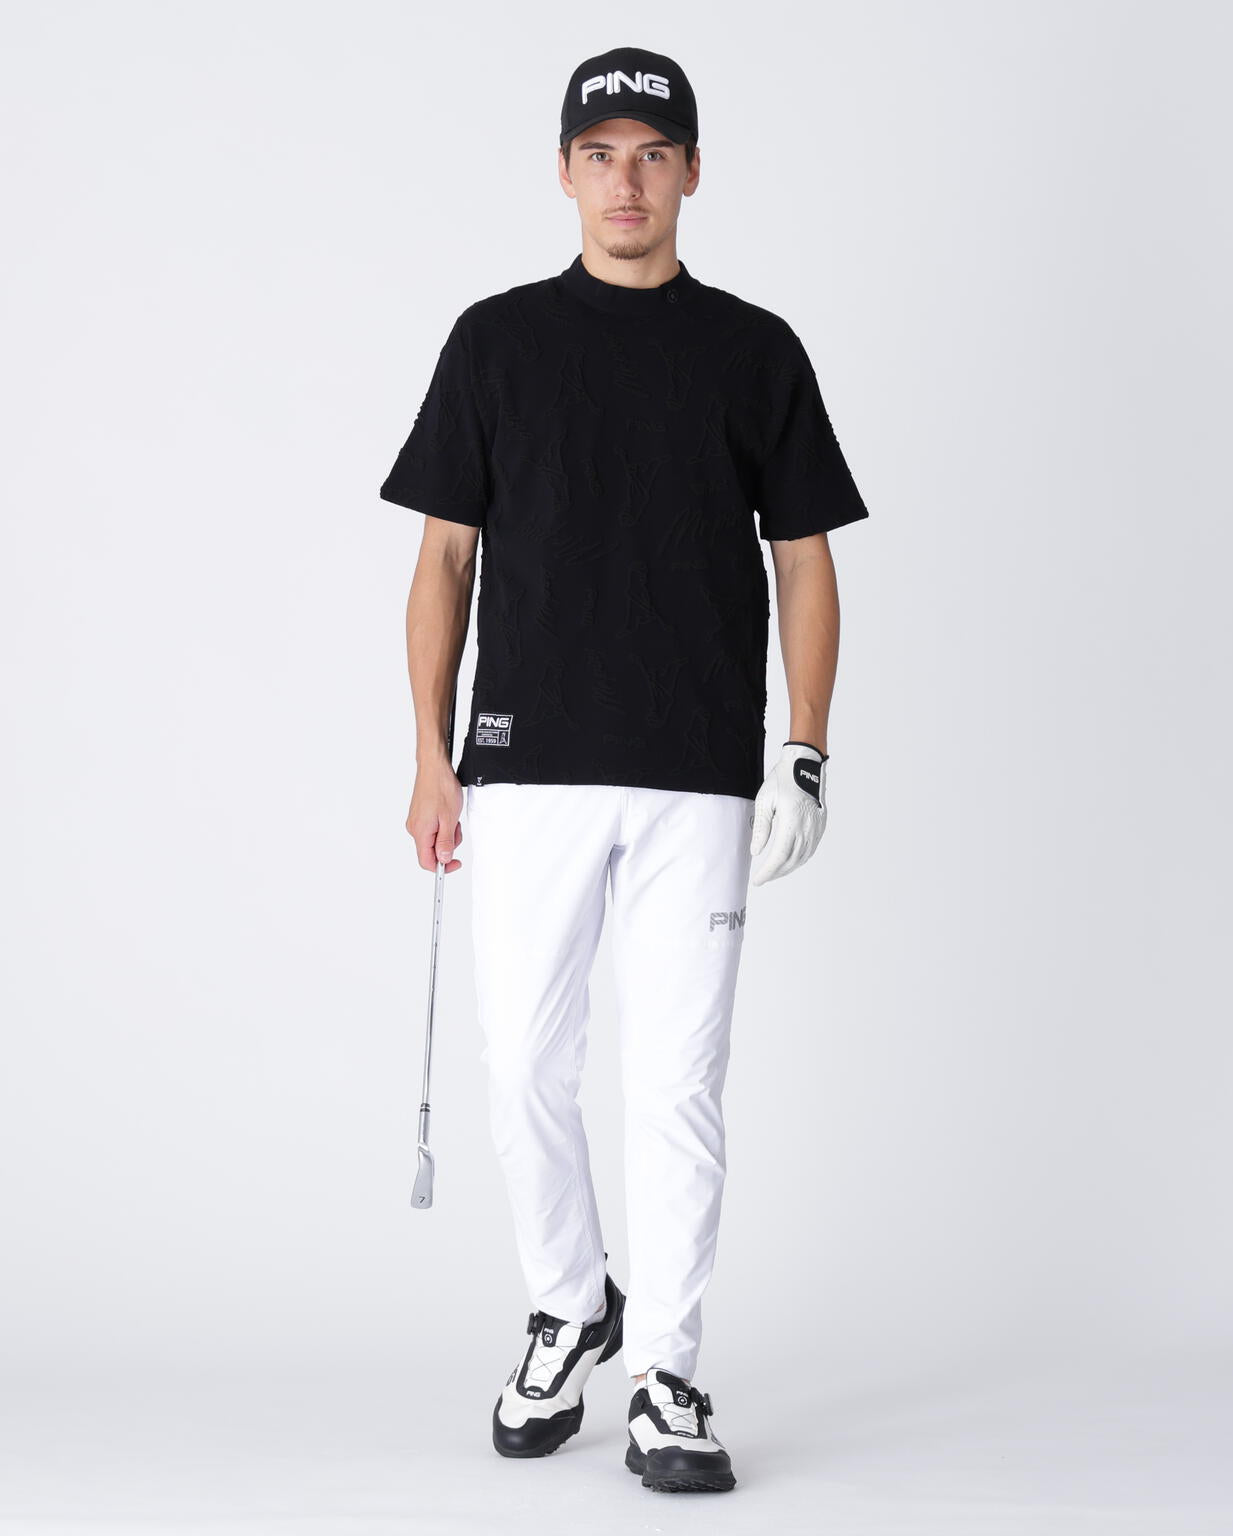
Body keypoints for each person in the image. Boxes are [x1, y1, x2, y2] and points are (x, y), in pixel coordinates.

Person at [379, 45, 870, 1495]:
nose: (627, 180)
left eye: (653, 153)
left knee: (677, 1084)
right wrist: (430, 754)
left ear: (693, 171)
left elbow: (805, 560)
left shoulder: (755, 351)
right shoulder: (496, 342)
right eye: (601, 154)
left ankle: (665, 1369)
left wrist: (805, 749)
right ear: (564, 171)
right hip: (526, 763)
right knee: (522, 1068)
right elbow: (444, 560)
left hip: (695, 772)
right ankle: (568, 1303)